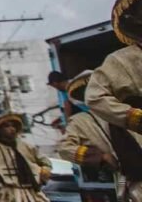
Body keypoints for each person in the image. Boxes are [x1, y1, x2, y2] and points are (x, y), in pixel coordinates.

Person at [85, 0, 142, 201]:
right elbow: (95, 97)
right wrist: (133, 117)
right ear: (135, 20)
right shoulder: (120, 60)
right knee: (126, 188)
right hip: (131, 159)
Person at [57, 71, 139, 199]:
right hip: (128, 178)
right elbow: (64, 148)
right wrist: (100, 157)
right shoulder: (80, 121)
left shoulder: (130, 109)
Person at [0, 114, 51, 202]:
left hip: (31, 191)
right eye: (7, 126)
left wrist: (44, 171)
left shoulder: (26, 146)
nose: (12, 129)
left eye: (13, 126)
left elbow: (44, 160)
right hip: (7, 192)